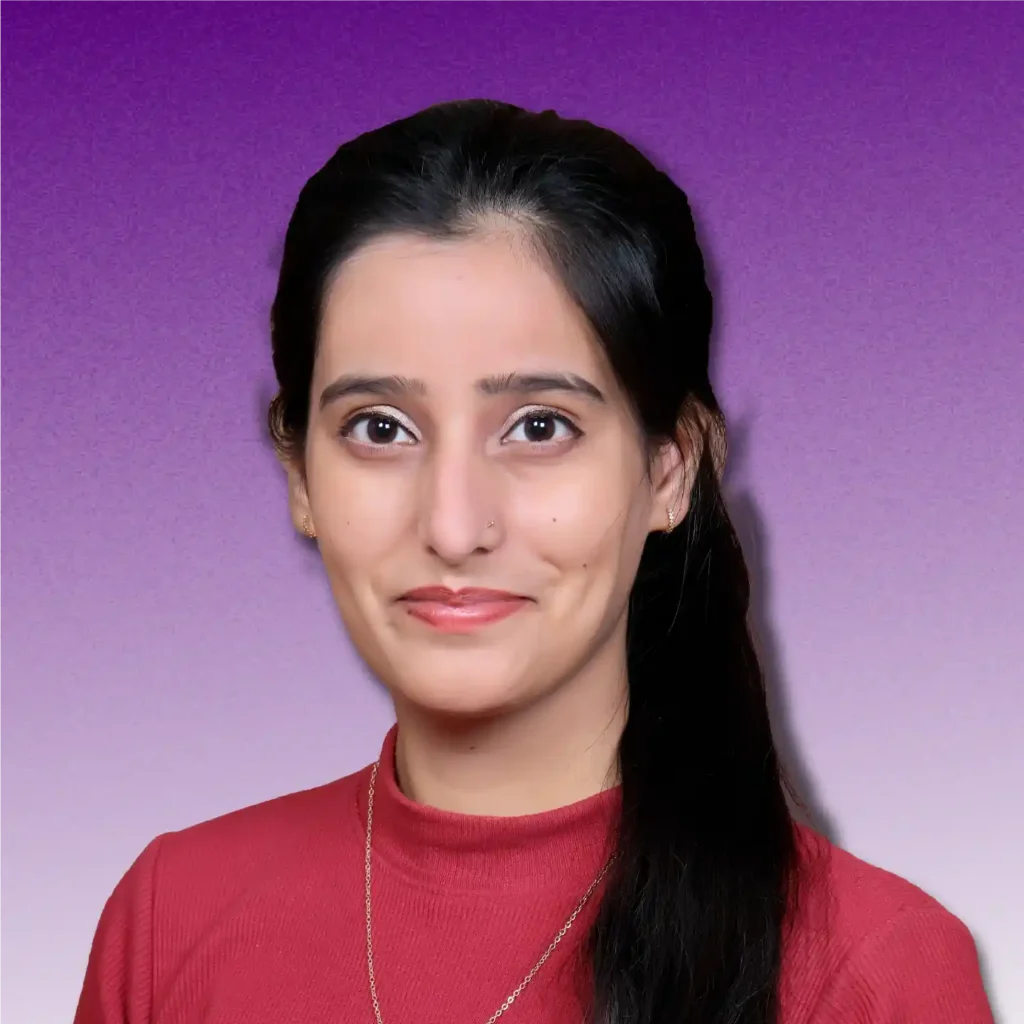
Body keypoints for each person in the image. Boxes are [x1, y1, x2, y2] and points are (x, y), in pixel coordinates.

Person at [74, 99, 995, 1024]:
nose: (453, 525)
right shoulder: (170, 919)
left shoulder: (875, 972)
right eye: (381, 428)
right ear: (300, 476)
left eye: (539, 427)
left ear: (669, 470)